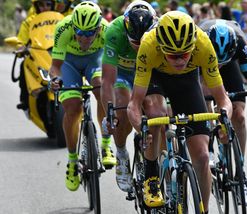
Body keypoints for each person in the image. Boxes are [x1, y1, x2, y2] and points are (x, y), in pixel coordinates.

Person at [127, 11, 233, 213]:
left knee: (202, 157)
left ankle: (204, 210)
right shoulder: (148, 45)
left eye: (185, 54)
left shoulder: (202, 44)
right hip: (156, 77)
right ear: (161, 47)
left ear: (192, 46)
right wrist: (141, 129)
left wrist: (224, 118)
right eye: (172, 55)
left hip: (186, 82)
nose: (179, 60)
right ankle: (151, 176)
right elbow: (134, 103)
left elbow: (222, 99)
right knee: (156, 115)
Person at [49, 1, 116, 191]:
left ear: (98, 28)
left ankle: (105, 145)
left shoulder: (107, 30)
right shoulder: (63, 27)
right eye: (79, 33)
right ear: (73, 28)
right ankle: (72, 161)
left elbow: (114, 63)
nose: (84, 38)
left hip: (95, 60)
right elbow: (55, 66)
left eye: (89, 33)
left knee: (102, 89)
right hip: (69, 64)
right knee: (73, 108)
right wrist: (55, 80)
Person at [199, 18, 247, 206]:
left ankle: (241, 174)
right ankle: (210, 144)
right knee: (204, 96)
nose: (218, 66)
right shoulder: (199, 42)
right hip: (204, 63)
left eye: (223, 62)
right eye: (217, 62)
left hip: (232, 64)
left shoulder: (239, 44)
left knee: (239, 115)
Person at [100, 1, 163, 193]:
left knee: (158, 114)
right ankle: (120, 153)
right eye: (134, 42)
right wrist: (110, 113)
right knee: (122, 107)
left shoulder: (160, 29)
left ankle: (158, 164)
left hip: (148, 72)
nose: (138, 47)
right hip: (123, 74)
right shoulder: (114, 32)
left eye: (142, 42)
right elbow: (107, 81)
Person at [16, 0, 57, 111]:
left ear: (53, 5)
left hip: (56, 53)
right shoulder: (29, 21)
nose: (45, 7)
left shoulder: (60, 19)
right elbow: (21, 40)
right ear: (36, 6)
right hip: (38, 53)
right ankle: (24, 99)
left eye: (48, 4)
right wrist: (20, 47)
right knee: (24, 64)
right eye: (41, 4)